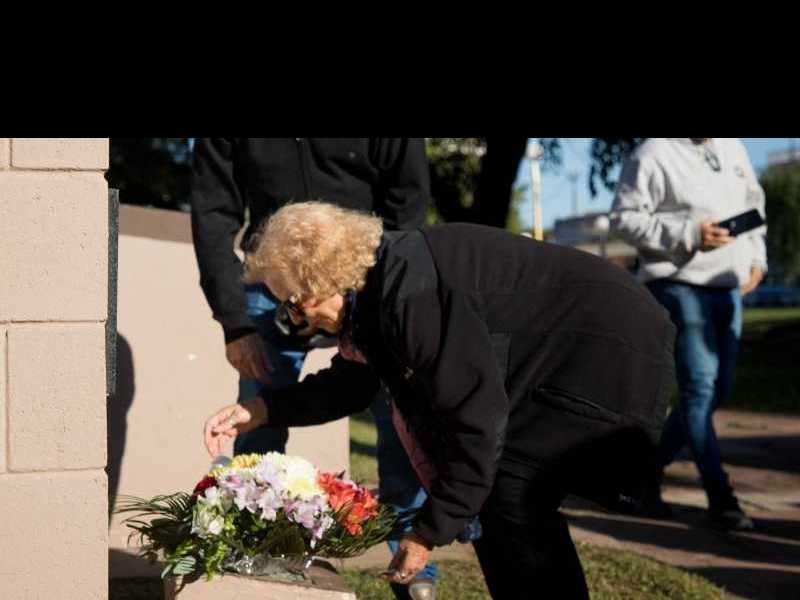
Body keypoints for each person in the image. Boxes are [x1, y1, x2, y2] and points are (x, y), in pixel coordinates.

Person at [202, 202, 677, 599]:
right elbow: (352, 383)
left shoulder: (410, 298)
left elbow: (477, 418)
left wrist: (427, 531)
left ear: (322, 281)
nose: (295, 322)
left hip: (600, 353)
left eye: (292, 304)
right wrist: (261, 410)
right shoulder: (378, 289)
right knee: (503, 500)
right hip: (578, 349)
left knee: (512, 494)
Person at [189, 139, 438, 599]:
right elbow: (212, 211)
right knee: (258, 422)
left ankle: (413, 567)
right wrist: (236, 324)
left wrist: (388, 285)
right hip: (273, 277)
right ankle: (255, 549)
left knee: (398, 416)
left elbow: (407, 194)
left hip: (360, 267)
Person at [610, 138, 768, 531]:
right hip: (678, 283)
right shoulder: (653, 153)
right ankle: (721, 498)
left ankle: (644, 474)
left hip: (728, 284)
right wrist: (688, 233)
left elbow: (754, 204)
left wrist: (757, 259)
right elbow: (623, 218)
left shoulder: (731, 146)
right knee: (699, 390)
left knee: (719, 390)